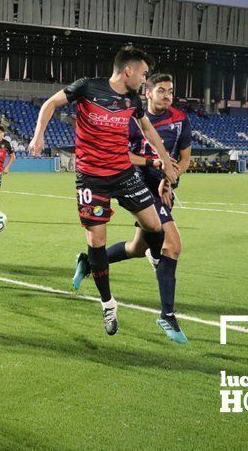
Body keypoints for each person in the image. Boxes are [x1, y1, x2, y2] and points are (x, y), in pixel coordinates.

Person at [29, 45, 178, 336]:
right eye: (144, 74)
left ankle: (154, 255)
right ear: (128, 71)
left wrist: (166, 164)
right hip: (91, 180)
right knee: (96, 242)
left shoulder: (133, 100)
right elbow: (50, 104)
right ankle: (108, 303)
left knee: (154, 226)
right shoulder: (87, 87)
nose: (145, 81)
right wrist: (38, 135)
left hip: (123, 173)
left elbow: (149, 131)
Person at [73, 73, 191, 343]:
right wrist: (153, 166)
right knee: (171, 245)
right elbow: (118, 153)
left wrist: (170, 179)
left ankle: (90, 263)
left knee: (139, 248)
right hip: (132, 181)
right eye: (161, 90)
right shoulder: (127, 115)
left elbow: (184, 159)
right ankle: (167, 315)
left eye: (171, 91)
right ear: (147, 92)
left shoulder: (180, 120)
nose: (167, 96)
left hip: (160, 186)